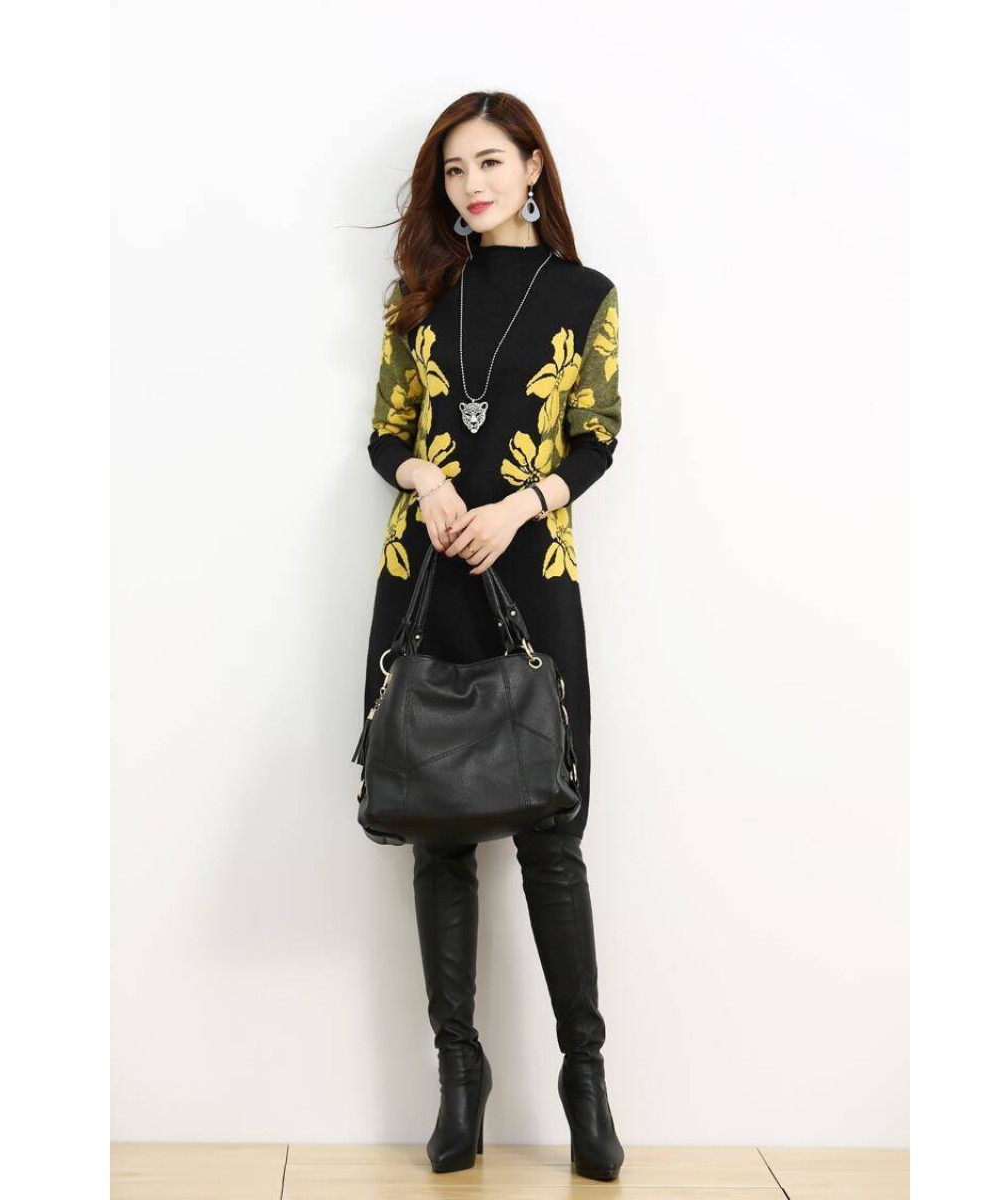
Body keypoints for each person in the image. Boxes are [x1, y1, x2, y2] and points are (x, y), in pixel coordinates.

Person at [360, 91, 625, 1182]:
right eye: (453, 170)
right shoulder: (421, 296)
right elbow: (386, 434)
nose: (471, 185)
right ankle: (457, 1081)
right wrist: (427, 482)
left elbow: (597, 438)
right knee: (439, 830)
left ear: (531, 168)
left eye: (489, 163)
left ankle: (585, 1079)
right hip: (426, 580)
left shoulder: (584, 296)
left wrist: (518, 507)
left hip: (531, 577)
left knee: (553, 836)